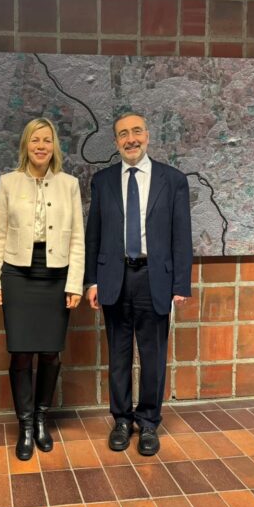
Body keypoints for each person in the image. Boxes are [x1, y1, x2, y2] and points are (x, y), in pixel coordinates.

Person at [84, 111, 192, 456]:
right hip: (114, 278)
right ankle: (121, 420)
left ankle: (148, 422)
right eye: (123, 134)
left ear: (147, 135)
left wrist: (181, 284)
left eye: (136, 132)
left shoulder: (172, 180)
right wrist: (91, 280)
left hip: (154, 278)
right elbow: (93, 235)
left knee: (153, 356)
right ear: (116, 142)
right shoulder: (102, 182)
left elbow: (182, 236)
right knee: (117, 355)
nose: (130, 139)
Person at [0, 118, 84, 461]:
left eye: (47, 140)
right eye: (35, 140)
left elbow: (77, 238)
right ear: (25, 145)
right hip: (17, 273)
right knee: (21, 352)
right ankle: (25, 425)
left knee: (50, 352)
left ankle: (42, 418)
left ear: (54, 146)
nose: (41, 146)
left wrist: (75, 283)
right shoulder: (8, 182)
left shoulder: (69, 184)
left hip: (56, 274)